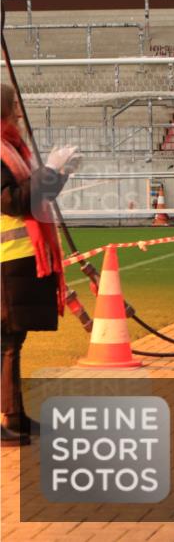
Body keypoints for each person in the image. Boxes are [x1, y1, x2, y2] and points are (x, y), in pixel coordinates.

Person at [1, 83, 81, 446]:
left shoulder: (13, 149)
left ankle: (15, 416)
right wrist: (47, 170)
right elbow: (16, 203)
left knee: (14, 339)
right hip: (7, 259)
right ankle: (9, 419)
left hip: (21, 258)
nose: (19, 109)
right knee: (6, 341)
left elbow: (37, 195)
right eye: (14, 103)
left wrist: (58, 174)